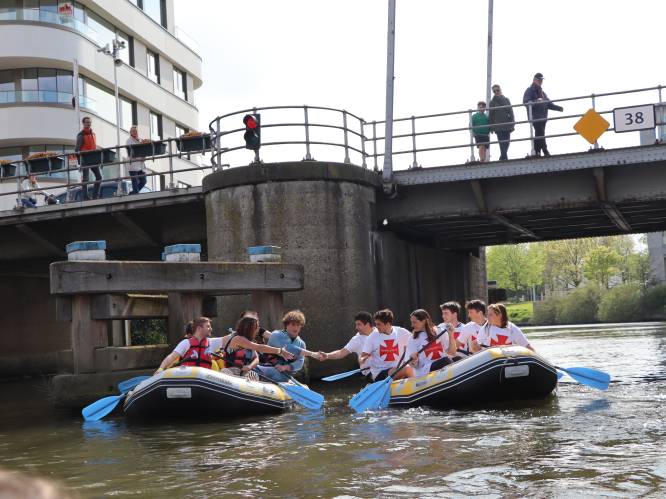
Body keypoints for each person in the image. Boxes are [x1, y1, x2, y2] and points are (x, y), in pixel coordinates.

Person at [219, 315, 294, 381]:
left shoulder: (249, 342)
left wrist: (249, 366)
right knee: (227, 373)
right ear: (249, 328)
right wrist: (280, 351)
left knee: (253, 375)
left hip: (245, 372)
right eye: (256, 327)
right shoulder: (238, 339)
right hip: (232, 370)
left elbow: (256, 358)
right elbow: (260, 348)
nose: (258, 329)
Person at [359, 309, 413, 381]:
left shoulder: (401, 332)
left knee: (414, 366)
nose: (376, 327)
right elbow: (363, 356)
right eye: (376, 324)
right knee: (407, 368)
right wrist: (362, 360)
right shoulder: (372, 337)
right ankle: (417, 386)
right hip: (380, 373)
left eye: (379, 324)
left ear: (387, 324)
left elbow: (415, 341)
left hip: (397, 370)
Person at [255, 310, 308, 383]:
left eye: (298, 325)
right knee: (258, 370)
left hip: (283, 374)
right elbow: (289, 348)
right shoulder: (276, 335)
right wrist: (312, 353)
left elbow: (300, 362)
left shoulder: (301, 344)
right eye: (293, 324)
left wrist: (286, 367)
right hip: (267, 367)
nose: (296, 328)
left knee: (278, 375)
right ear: (286, 325)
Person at [154, 316, 220, 373]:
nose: (211, 329)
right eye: (208, 326)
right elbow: (172, 357)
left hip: (205, 375)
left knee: (213, 363)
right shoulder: (185, 343)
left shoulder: (211, 343)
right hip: (187, 373)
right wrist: (161, 368)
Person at [522, 73, 563, 157]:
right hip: (535, 117)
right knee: (540, 133)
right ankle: (545, 150)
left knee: (539, 134)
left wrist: (559, 108)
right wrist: (537, 101)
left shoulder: (542, 92)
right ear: (534, 80)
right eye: (539, 80)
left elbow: (548, 103)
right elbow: (526, 102)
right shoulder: (530, 90)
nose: (541, 81)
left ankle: (537, 151)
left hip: (543, 117)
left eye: (541, 80)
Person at [407, 309, 457, 377]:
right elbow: (413, 366)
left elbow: (452, 352)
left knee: (458, 358)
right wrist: (413, 360)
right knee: (445, 360)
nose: (412, 325)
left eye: (414, 322)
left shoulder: (439, 331)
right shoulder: (412, 339)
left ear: (424, 321)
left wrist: (451, 335)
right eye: (412, 322)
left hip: (443, 365)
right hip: (425, 371)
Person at [75, 116, 103, 200]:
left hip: (93, 159)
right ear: (83, 123)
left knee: (99, 177)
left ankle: (95, 196)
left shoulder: (93, 134)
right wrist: (80, 161)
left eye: (89, 122)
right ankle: (85, 197)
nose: (88, 124)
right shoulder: (81, 135)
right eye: (86, 122)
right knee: (85, 179)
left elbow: (93, 147)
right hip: (85, 160)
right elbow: (77, 149)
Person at [488, 84, 515, 161]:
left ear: (500, 89)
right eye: (494, 91)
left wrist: (513, 123)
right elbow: (491, 115)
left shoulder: (506, 100)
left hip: (507, 124)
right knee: (502, 143)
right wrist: (491, 127)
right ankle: (505, 158)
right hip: (498, 126)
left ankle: (502, 158)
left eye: (497, 90)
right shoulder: (492, 102)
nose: (496, 92)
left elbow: (511, 111)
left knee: (507, 142)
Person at [125, 125, 147, 194]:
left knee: (143, 181)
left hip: (140, 164)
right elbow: (130, 153)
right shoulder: (129, 141)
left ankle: (133, 193)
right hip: (133, 164)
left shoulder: (140, 140)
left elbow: (144, 150)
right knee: (134, 181)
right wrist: (140, 156)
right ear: (130, 132)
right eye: (133, 131)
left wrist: (144, 156)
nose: (135, 132)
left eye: (136, 131)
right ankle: (136, 194)